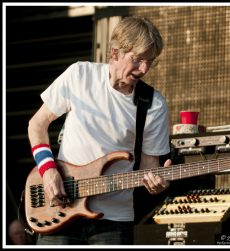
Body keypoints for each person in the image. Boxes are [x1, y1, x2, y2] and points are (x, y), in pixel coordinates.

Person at [27, 16, 171, 245]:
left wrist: (157, 185)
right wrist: (48, 171)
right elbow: (37, 124)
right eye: (137, 59)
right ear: (115, 53)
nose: (144, 69)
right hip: (59, 208)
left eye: (150, 61)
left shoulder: (153, 104)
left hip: (114, 220)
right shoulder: (79, 76)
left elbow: (149, 168)